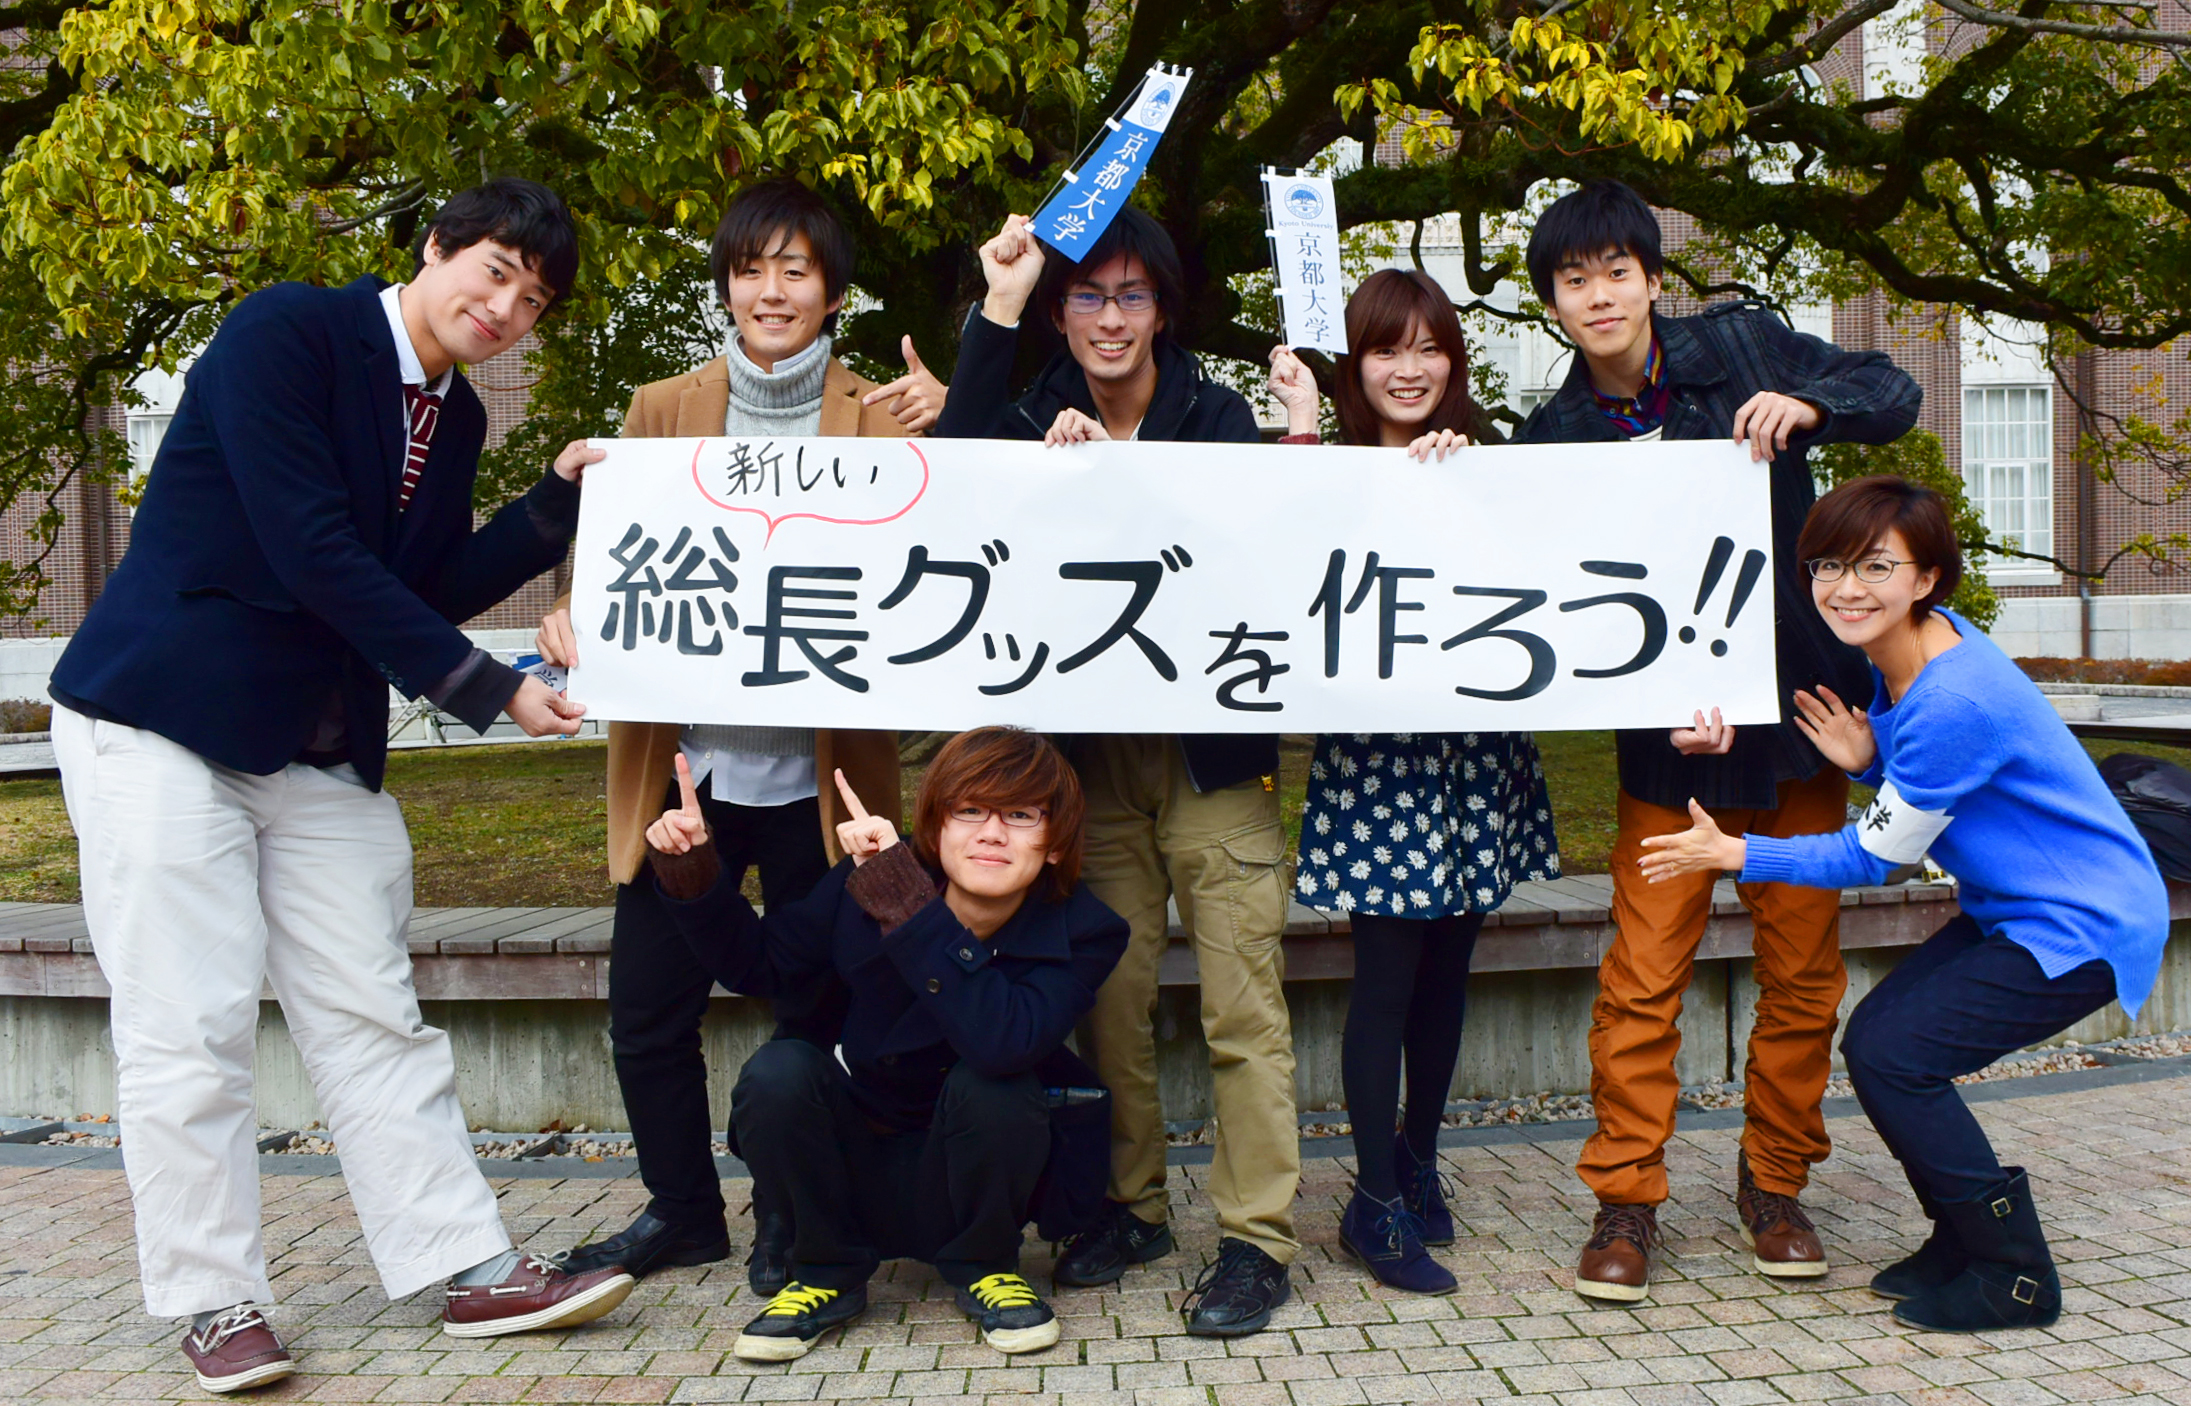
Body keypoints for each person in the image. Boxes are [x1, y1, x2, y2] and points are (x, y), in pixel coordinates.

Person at [45, 178, 636, 1394]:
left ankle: (465, 1262)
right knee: (190, 1021)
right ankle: (213, 1298)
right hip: (163, 716)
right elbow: (311, 546)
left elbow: (414, 584)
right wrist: (489, 688)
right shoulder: (288, 330)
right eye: (495, 271)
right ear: (435, 246)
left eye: (533, 299)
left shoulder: (454, 419)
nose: (506, 307)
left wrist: (555, 502)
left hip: (312, 745)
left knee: (373, 1009)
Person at [1512, 179, 1923, 1301]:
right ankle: (1625, 1198)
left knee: (1801, 973)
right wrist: (1655, 701)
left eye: (1616, 271)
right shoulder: (1550, 438)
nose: (1599, 295)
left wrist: (1810, 407)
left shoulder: (1741, 346)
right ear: (1553, 302)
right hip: (1667, 752)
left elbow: (1892, 391)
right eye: (1574, 279)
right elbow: (1554, 610)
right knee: (1641, 979)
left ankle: (1774, 1183)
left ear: (1652, 277)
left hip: (1799, 726)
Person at [1639, 475, 2169, 1332]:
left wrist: (1736, 852)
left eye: (1875, 566)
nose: (1845, 587)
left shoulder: (1951, 695)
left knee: (1895, 1055)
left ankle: (2014, 1274)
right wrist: (1867, 761)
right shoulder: (1915, 652)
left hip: (2083, 922)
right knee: (1880, 1045)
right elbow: (1929, 796)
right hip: (2017, 908)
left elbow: (1876, 856)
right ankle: (1960, 1240)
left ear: (1926, 578)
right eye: (1827, 565)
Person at [541, 179, 936, 1293]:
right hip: (686, 772)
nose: (771, 290)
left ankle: (791, 1213)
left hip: (826, 779)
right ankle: (682, 1212)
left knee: (815, 1006)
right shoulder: (660, 408)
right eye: (751, 267)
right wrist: (571, 609)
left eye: (795, 270)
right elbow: (617, 556)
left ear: (833, 293)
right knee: (647, 1013)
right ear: (724, 285)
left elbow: (952, 548)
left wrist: (957, 416)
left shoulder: (885, 414)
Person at [935, 209, 1300, 1336]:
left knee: (1243, 1004)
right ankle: (1130, 1207)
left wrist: (1124, 475)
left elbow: (1267, 545)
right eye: (1088, 295)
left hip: (1214, 757)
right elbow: (950, 476)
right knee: (1108, 1000)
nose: (1109, 317)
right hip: (1085, 767)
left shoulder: (1215, 412)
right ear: (1059, 311)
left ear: (1162, 311)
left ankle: (1256, 1238)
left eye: (1132, 295)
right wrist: (997, 315)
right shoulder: (1026, 411)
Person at [641, 727, 1128, 1359]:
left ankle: (988, 1266)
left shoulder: (1086, 929)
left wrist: (910, 907)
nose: (991, 833)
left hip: (977, 1166)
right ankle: (823, 1270)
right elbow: (762, 967)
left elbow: (1004, 1041)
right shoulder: (869, 881)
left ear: (1056, 843)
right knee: (778, 1071)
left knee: (999, 1079)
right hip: (857, 1158)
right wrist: (693, 869)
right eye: (969, 811)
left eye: (1020, 816)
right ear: (936, 826)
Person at [1264, 270, 1561, 1295]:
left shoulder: (1491, 467)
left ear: (1454, 362)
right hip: (1380, 757)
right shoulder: (1333, 469)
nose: (1409, 368)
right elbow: (1283, 558)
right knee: (1385, 980)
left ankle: (1420, 1160)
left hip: (1474, 752)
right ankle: (1374, 1197)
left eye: (1429, 347)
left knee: (1446, 976)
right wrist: (1299, 426)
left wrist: (1467, 485)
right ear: (1356, 364)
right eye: (1387, 349)